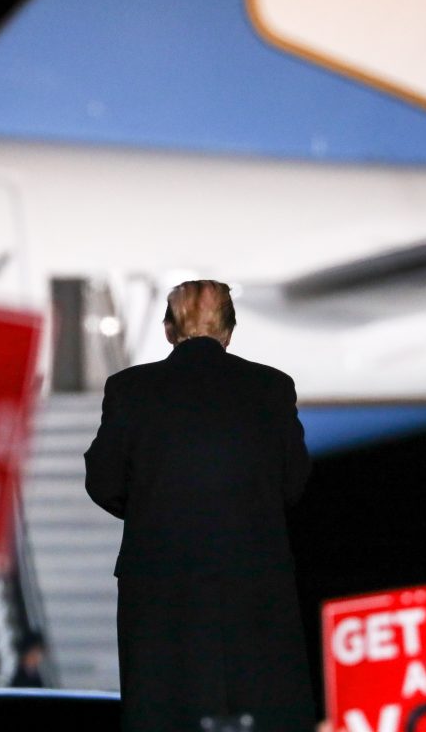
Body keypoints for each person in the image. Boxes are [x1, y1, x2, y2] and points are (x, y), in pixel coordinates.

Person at [85, 279, 314, 732]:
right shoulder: (272, 388)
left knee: (165, 713)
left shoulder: (130, 389)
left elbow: (104, 481)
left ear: (169, 330)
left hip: (159, 593)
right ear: (230, 331)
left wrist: (155, 509)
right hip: (257, 588)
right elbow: (294, 481)